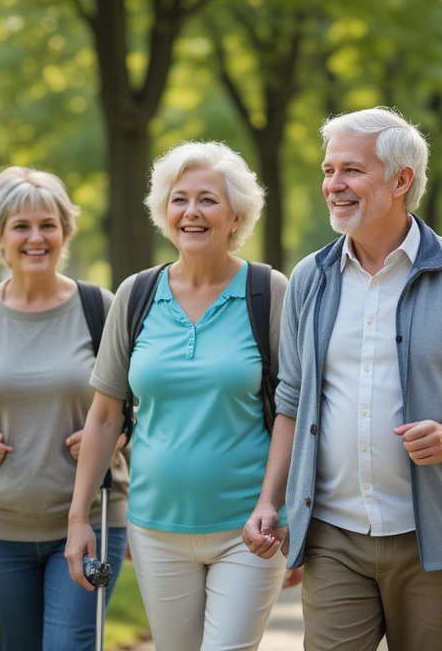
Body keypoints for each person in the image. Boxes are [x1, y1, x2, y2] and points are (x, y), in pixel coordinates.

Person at [244, 107, 442, 651]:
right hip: (334, 536)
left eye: (351, 170)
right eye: (329, 170)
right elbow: (291, 400)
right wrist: (270, 501)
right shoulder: (310, 277)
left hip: (440, 541)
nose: (334, 185)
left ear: (401, 180)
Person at [65, 142, 292, 651]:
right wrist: (79, 521)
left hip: (248, 529)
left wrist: (278, 506)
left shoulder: (268, 290)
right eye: (179, 199)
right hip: (154, 528)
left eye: (208, 200)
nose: (191, 212)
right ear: (164, 212)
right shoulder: (136, 294)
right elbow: (103, 418)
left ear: (236, 215)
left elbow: (291, 410)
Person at [0, 166, 127, 651]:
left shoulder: (99, 307)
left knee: (70, 646)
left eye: (48, 225)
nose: (35, 237)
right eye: (21, 226)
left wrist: (110, 439)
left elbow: (135, 411)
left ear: (65, 232)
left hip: (91, 522)